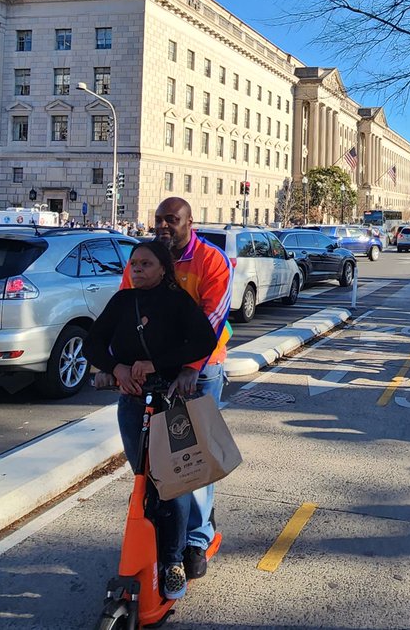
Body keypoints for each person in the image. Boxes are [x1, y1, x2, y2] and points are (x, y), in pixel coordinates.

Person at [85, 241, 218, 601]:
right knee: (144, 481)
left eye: (146, 263)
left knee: (173, 484)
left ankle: (173, 560)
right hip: (132, 403)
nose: (137, 269)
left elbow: (204, 339)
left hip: (170, 403)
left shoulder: (176, 301)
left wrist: (158, 364)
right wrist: (116, 368)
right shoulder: (122, 302)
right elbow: (93, 343)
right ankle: (149, 548)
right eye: (133, 264)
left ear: (163, 268)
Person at [152, 197, 233, 581]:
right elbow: (124, 305)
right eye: (159, 220)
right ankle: (167, 534)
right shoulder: (150, 258)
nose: (164, 226)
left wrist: (190, 366)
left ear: (189, 222)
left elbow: (213, 318)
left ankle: (198, 537)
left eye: (172, 220)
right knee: (154, 459)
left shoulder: (210, 259)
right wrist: (113, 362)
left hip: (200, 371)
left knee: (194, 457)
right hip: (159, 369)